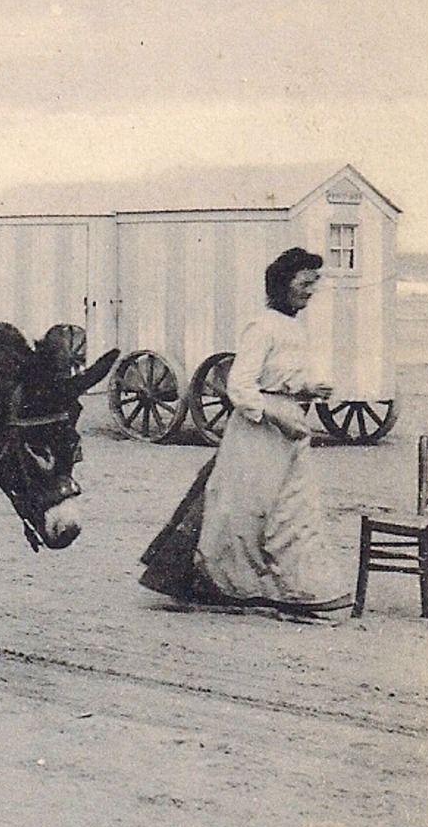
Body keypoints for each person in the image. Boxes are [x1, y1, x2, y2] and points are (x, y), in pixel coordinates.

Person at [139, 247, 353, 616]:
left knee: (293, 510)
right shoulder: (262, 326)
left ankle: (299, 589)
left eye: (313, 284)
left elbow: (280, 377)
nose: (310, 292)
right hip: (257, 433)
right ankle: (234, 587)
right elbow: (239, 386)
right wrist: (275, 415)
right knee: (245, 512)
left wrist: (306, 390)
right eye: (305, 283)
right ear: (283, 284)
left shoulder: (293, 327)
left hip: (289, 429)